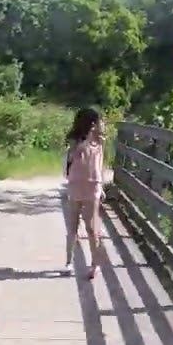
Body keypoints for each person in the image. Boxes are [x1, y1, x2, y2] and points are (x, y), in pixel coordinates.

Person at [63, 107, 107, 279]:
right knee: (73, 225)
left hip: (93, 185)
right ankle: (68, 262)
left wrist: (102, 185)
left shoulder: (100, 140)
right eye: (97, 121)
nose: (99, 124)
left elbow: (101, 162)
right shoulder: (75, 140)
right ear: (90, 122)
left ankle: (95, 264)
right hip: (76, 183)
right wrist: (84, 142)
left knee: (91, 227)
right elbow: (73, 156)